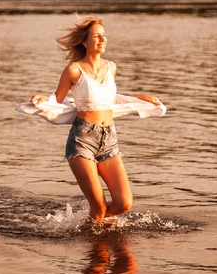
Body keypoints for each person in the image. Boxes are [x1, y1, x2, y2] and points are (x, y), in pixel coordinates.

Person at [30, 17, 160, 222]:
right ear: (85, 41)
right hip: (82, 140)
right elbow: (58, 98)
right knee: (98, 206)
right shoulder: (74, 69)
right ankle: (96, 240)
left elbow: (108, 98)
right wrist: (44, 99)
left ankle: (87, 225)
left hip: (109, 139)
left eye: (104, 36)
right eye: (96, 36)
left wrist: (138, 98)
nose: (102, 39)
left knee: (124, 203)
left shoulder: (111, 67)